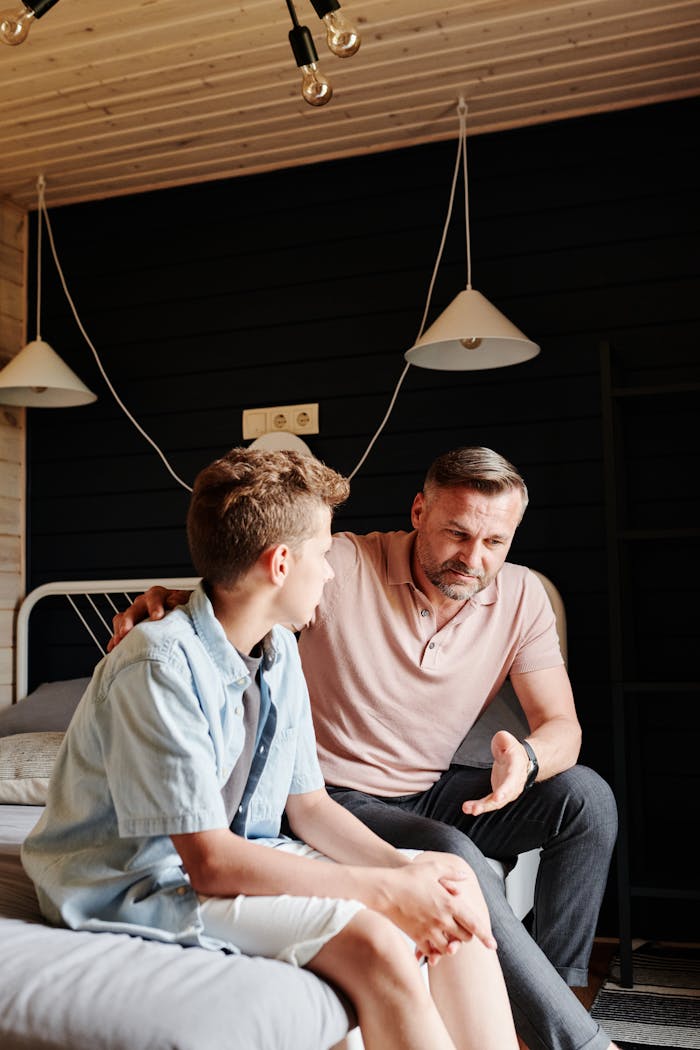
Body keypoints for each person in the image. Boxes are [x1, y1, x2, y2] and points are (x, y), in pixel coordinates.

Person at [109, 446, 620, 1050]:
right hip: (341, 794)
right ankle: (578, 1042)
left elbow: (562, 724)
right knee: (454, 857)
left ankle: (553, 1001)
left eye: (496, 542)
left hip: (428, 787)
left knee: (587, 799)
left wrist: (528, 761)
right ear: (419, 511)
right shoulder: (341, 566)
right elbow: (248, 585)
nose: (473, 558)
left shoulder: (521, 596)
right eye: (457, 533)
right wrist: (179, 601)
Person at [22, 447, 521, 1050]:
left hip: (240, 858)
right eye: (323, 553)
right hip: (141, 883)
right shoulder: (157, 663)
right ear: (281, 563)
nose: (332, 571)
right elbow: (208, 863)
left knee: (454, 883)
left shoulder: (279, 650)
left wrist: (406, 869)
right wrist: (385, 891)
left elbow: (309, 808)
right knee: (378, 940)